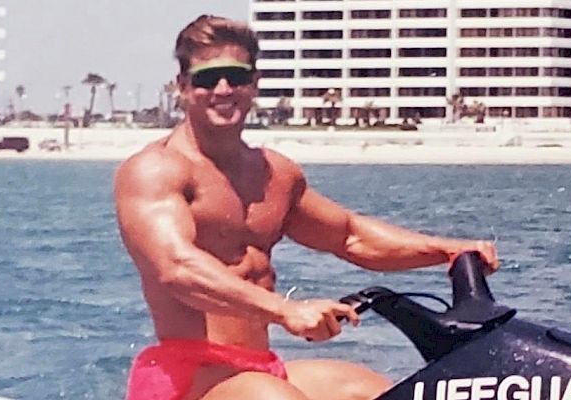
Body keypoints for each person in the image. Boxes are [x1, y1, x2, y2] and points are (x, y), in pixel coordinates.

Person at [113, 15, 500, 400]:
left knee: (382, 392)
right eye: (206, 78)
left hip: (258, 367)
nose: (223, 88)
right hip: (189, 377)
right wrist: (285, 311)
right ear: (182, 86)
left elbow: (349, 236)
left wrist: (445, 250)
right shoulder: (156, 170)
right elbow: (177, 269)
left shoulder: (272, 174)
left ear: (254, 83)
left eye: (236, 75)